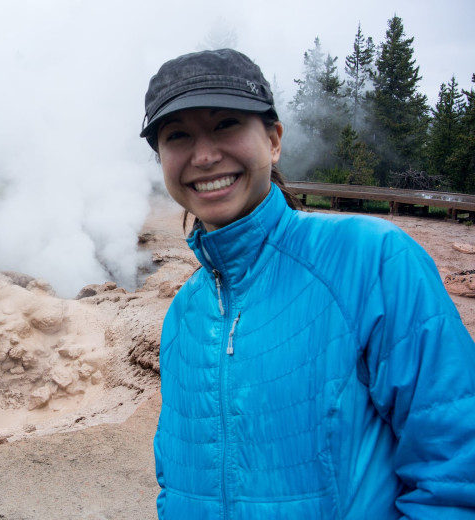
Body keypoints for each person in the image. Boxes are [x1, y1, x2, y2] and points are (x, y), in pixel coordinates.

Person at [141, 48, 475, 519]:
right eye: (178, 136)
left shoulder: (370, 259)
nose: (205, 155)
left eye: (226, 125)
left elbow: (457, 473)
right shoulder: (183, 314)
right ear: (161, 160)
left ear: (274, 140)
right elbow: (173, 484)